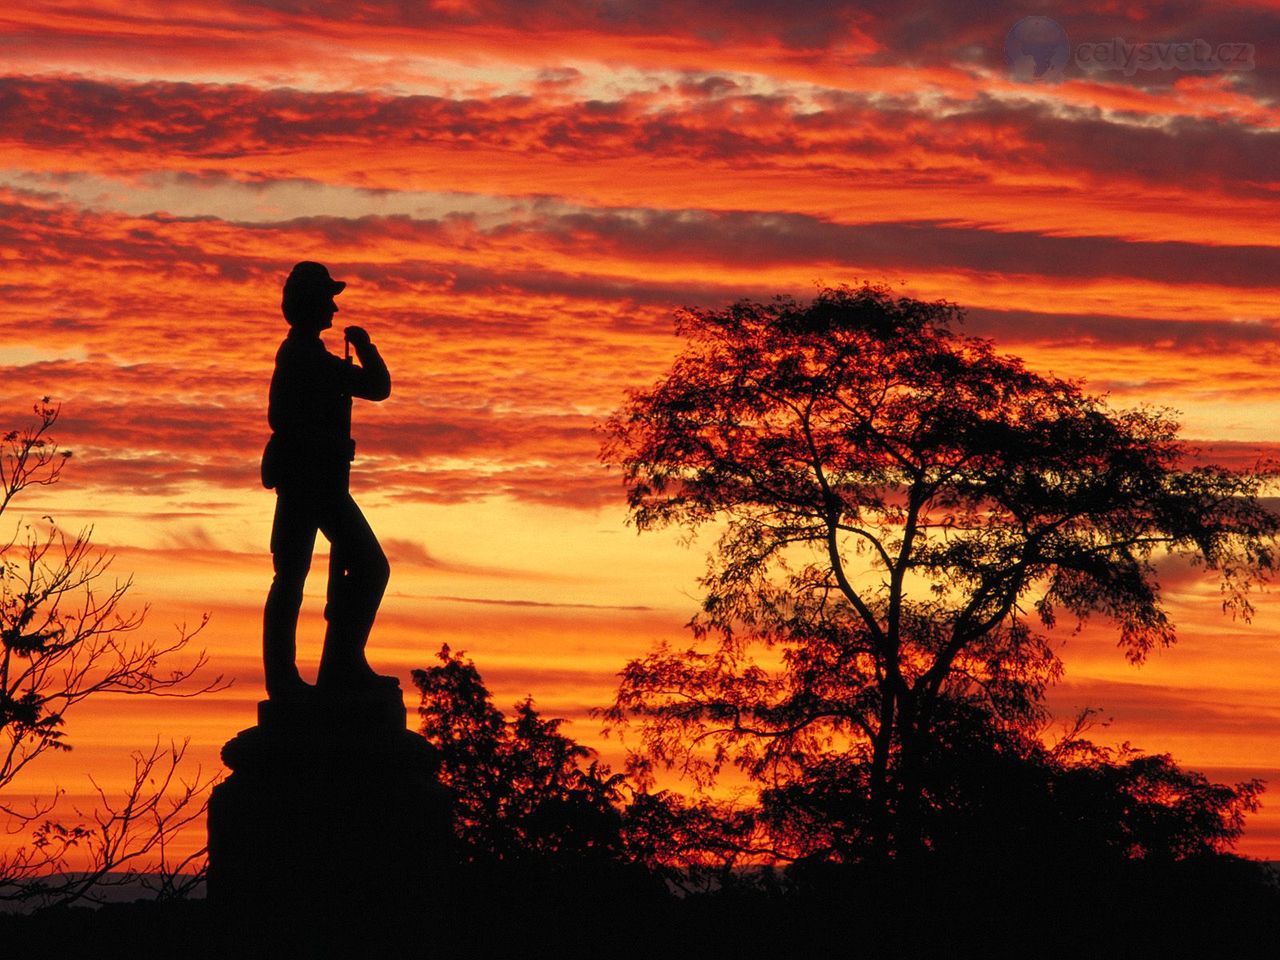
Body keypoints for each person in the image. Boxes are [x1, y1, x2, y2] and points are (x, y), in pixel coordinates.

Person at [260, 261, 395, 698]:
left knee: (295, 578)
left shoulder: (309, 355)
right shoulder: (304, 356)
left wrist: (364, 347)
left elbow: (374, 388)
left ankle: (338, 666)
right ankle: (319, 671)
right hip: (311, 483)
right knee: (361, 568)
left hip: (319, 482)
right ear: (310, 303)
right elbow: (376, 387)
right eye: (328, 298)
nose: (335, 308)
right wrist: (366, 346)